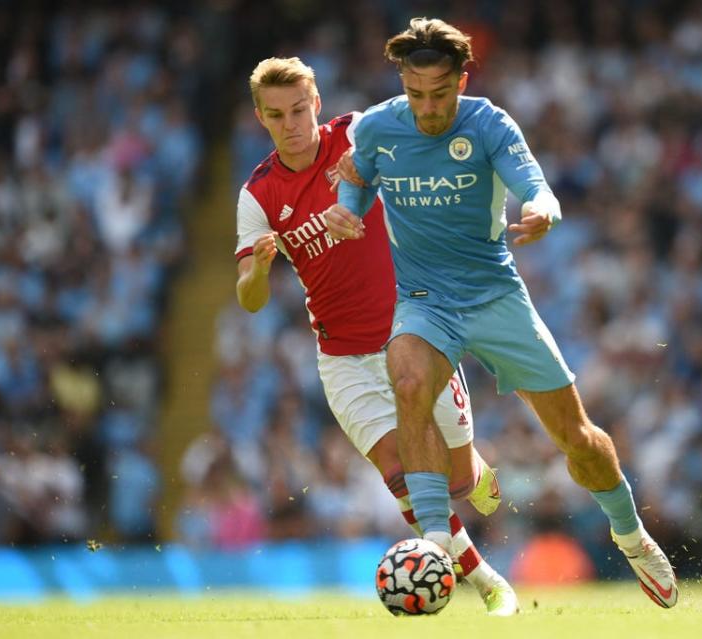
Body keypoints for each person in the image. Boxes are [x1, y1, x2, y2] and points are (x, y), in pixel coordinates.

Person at [324, 17, 678, 608]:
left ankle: (630, 533)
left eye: (440, 94)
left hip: (495, 297)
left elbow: (535, 186)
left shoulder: (488, 123)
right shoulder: (380, 126)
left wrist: (543, 210)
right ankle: (436, 538)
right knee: (407, 378)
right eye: (416, 94)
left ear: (462, 80)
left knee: (578, 440)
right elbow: (357, 181)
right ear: (402, 84)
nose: (428, 108)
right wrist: (345, 210)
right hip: (424, 301)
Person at [234, 56, 518, 615]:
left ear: (316, 103)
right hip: (343, 356)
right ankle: (488, 584)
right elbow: (250, 298)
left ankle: (476, 470)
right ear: (260, 118)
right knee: (403, 477)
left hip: (414, 330)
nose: (290, 124)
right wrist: (259, 269)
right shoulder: (258, 195)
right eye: (276, 115)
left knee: (457, 479)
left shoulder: (360, 134)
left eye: (298, 110)